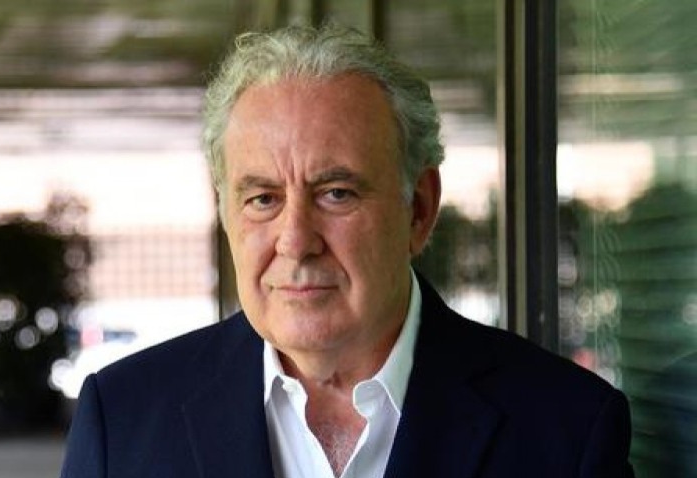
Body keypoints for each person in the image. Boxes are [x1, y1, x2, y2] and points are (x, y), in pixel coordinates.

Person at [60, 24, 635, 478]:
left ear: (418, 209)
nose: (295, 241)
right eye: (262, 199)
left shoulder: (567, 428)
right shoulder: (124, 419)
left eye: (336, 193)